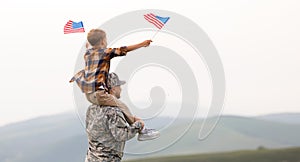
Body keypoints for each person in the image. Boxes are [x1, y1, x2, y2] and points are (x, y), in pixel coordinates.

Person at [70, 29, 159, 140]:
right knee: (122, 106)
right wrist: (142, 44)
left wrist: (90, 42)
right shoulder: (105, 52)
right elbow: (123, 50)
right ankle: (141, 130)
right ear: (102, 42)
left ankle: (136, 124)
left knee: (114, 105)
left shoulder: (87, 54)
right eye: (105, 39)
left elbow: (90, 46)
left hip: (89, 95)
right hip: (99, 94)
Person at [85, 73, 159, 162]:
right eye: (119, 86)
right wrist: (139, 125)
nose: (121, 89)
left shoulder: (91, 108)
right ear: (113, 88)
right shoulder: (113, 111)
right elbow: (121, 135)